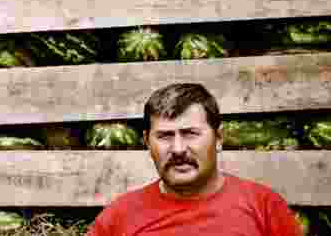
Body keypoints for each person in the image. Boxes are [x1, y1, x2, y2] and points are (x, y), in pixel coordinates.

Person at [87, 83, 304, 236]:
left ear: (218, 138)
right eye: (165, 136)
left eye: (190, 133)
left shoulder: (264, 206)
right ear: (146, 142)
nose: (178, 149)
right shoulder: (119, 217)